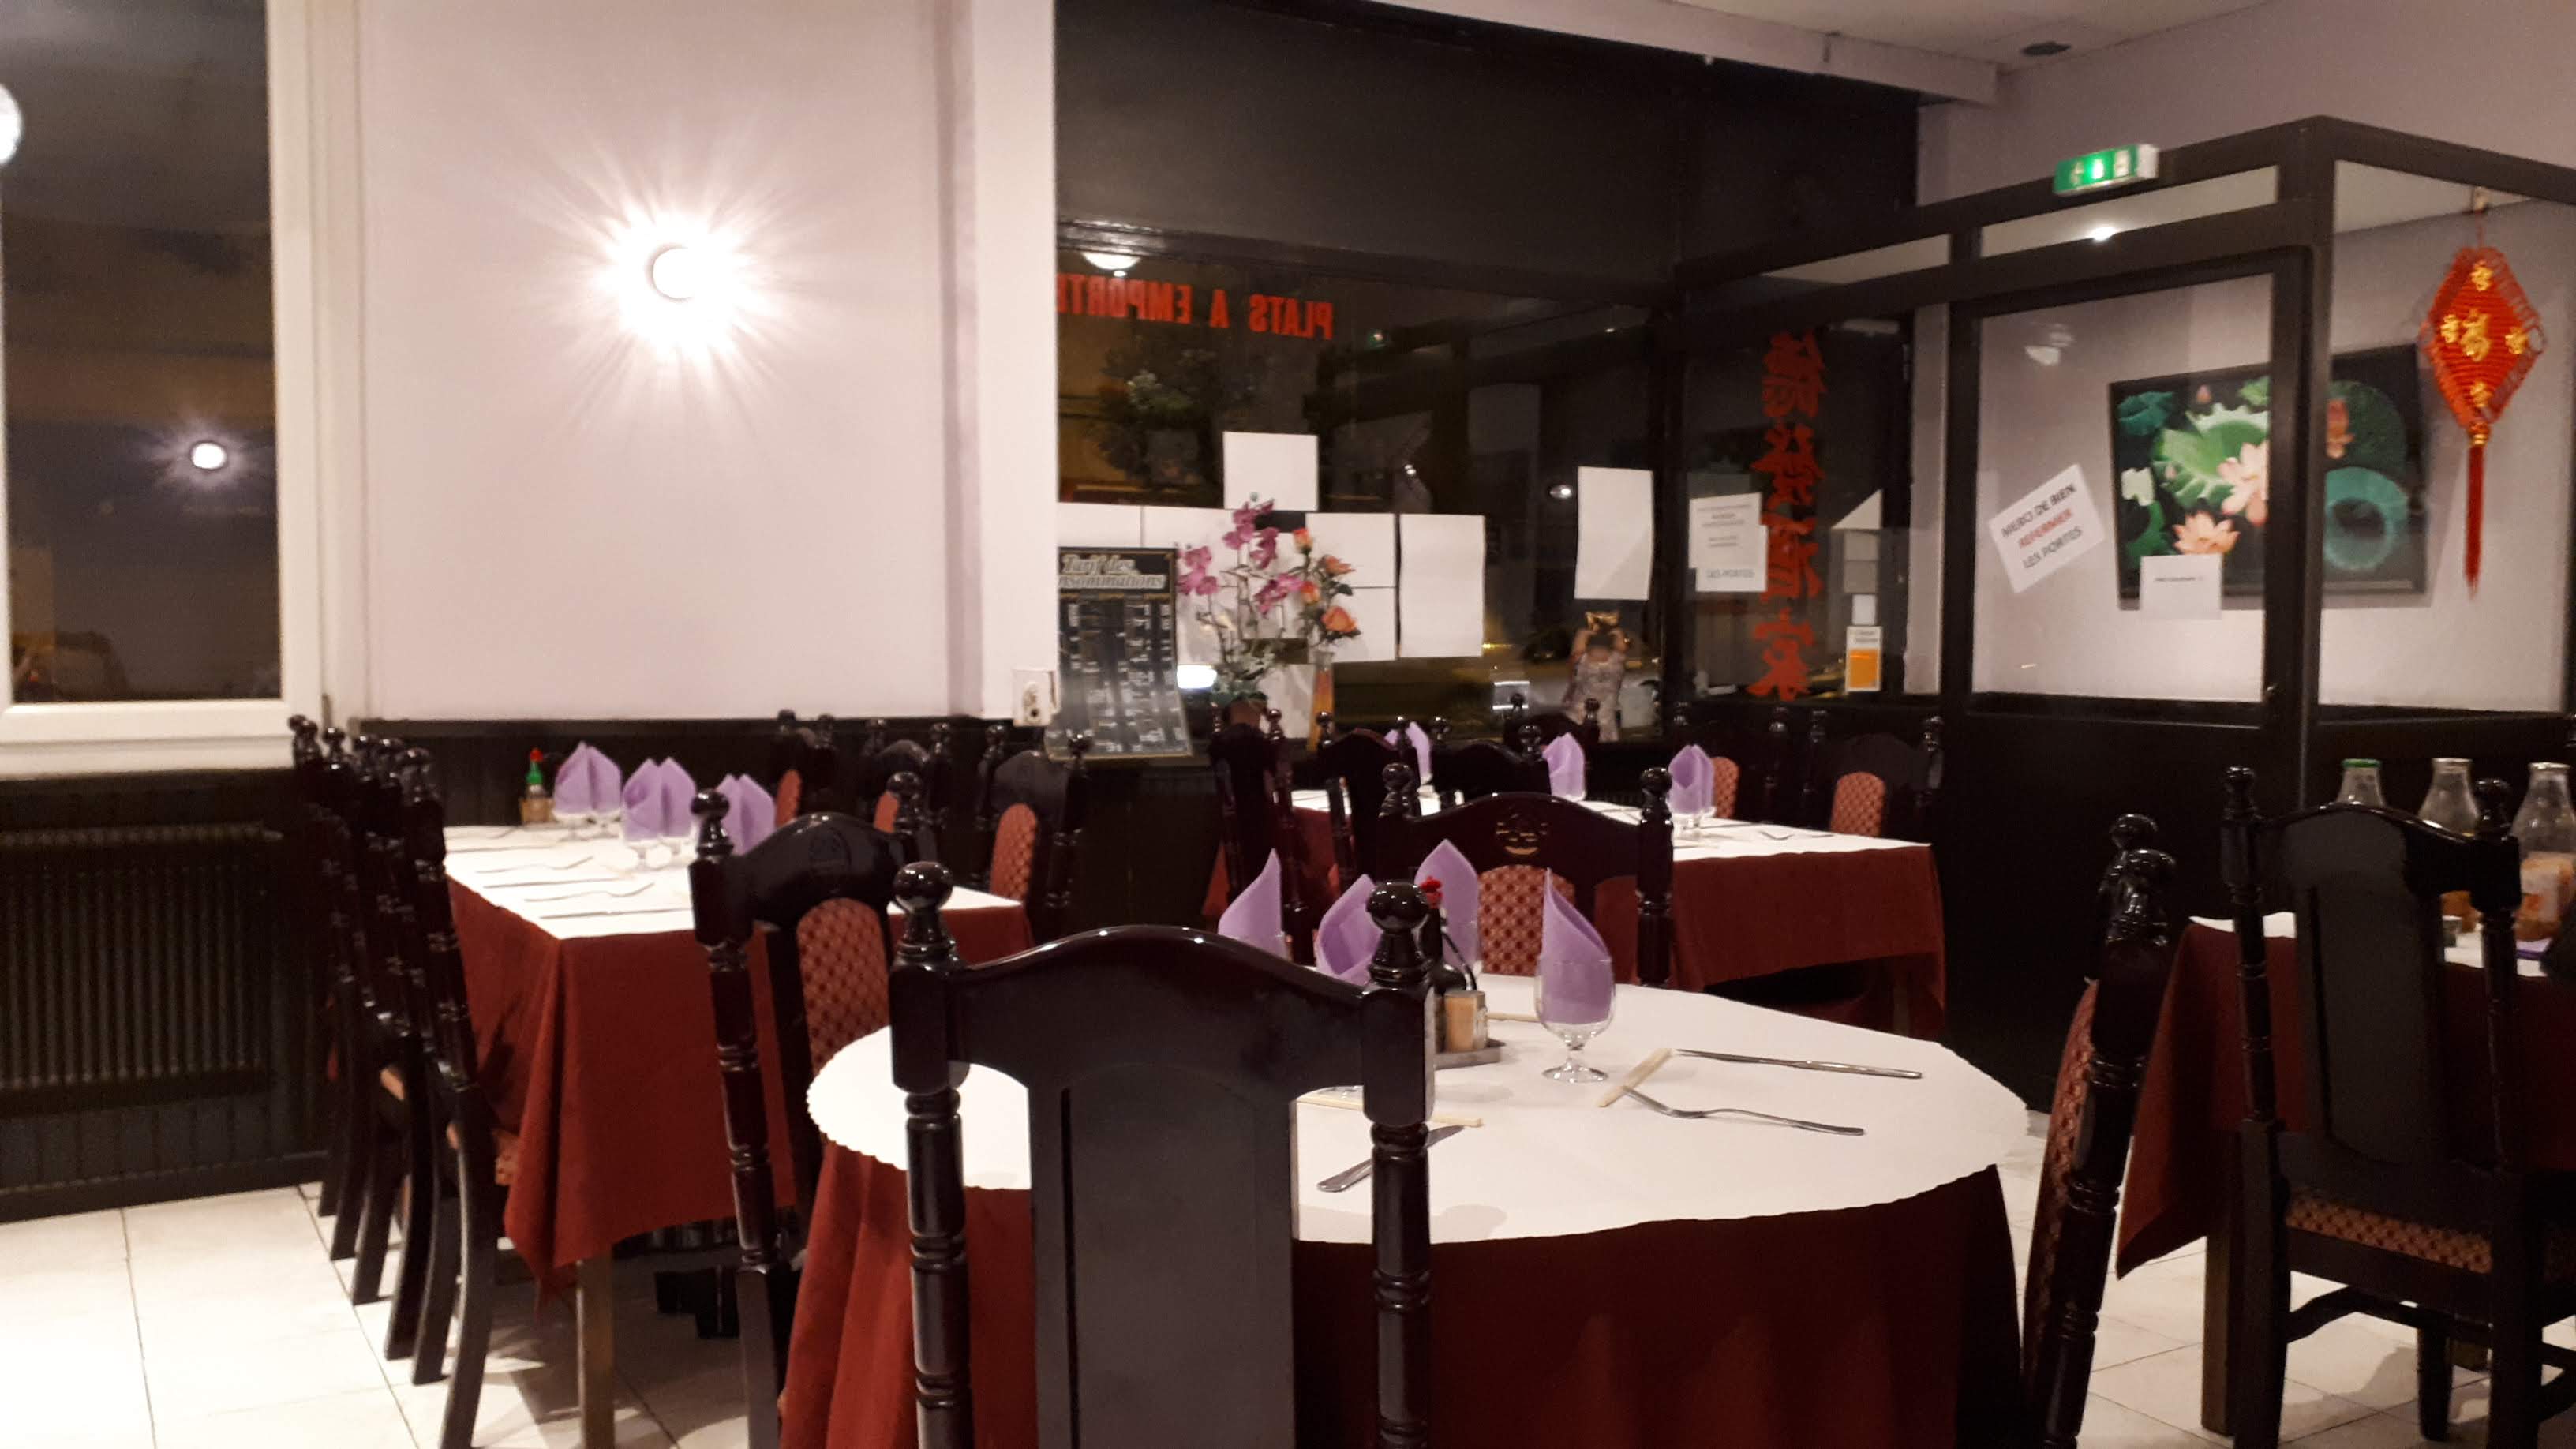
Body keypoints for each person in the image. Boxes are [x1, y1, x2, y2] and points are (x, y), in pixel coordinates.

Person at [1561, 614, 1628, 742]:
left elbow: (1575, 658)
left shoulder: (1581, 660)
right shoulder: (1618, 660)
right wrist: (1616, 633)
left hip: (1581, 719)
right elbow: (1621, 649)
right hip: (1602, 720)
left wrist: (1584, 633)